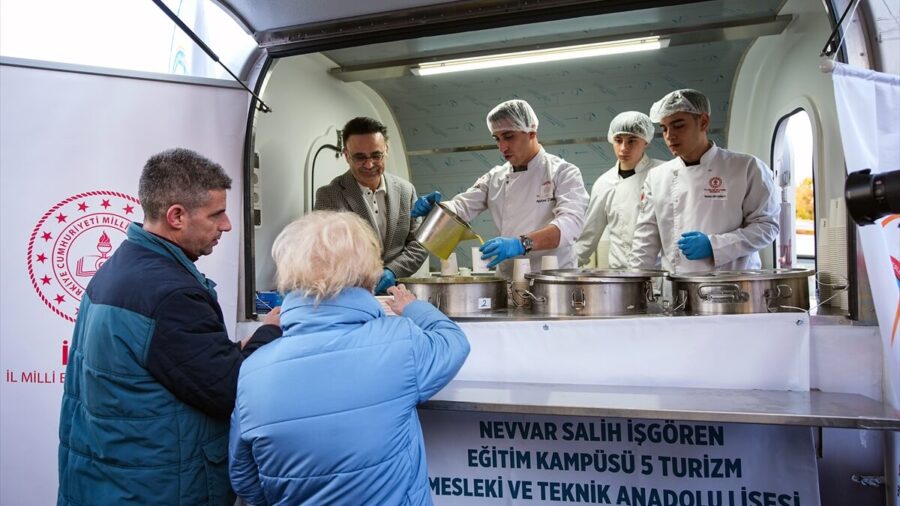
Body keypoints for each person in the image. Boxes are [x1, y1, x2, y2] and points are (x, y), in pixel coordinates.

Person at [57, 148, 282, 506]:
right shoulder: (171, 295)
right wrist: (270, 330)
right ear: (176, 216)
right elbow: (228, 390)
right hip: (157, 487)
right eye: (217, 214)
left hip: (110, 480)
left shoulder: (123, 267)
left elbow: (178, 366)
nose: (226, 225)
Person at [229, 211, 469, 505]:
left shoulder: (253, 370)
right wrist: (413, 308)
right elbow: (453, 342)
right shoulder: (400, 342)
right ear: (370, 274)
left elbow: (244, 475)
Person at [411, 99, 588, 277]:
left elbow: (570, 225)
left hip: (554, 280)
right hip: (508, 281)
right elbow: (462, 207)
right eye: (497, 139)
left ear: (531, 132)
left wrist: (521, 244)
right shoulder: (495, 178)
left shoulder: (563, 172)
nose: (502, 147)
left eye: (509, 136)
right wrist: (438, 210)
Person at [629, 89, 780, 273]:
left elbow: (766, 227)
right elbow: (645, 241)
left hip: (732, 286)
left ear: (703, 122)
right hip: (678, 291)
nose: (669, 136)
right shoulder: (657, 177)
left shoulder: (746, 168)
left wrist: (715, 245)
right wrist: (632, 286)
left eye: (678, 125)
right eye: (664, 128)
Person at [315, 116, 428, 293]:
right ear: (346, 155)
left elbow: (420, 243)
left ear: (386, 150)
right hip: (350, 293)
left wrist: (393, 270)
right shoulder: (329, 195)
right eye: (360, 157)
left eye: (376, 155)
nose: (369, 164)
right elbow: (324, 252)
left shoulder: (406, 191)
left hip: (398, 292)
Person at [575, 111, 665, 268]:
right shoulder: (604, 183)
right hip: (620, 279)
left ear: (646, 141)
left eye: (632, 141)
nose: (623, 148)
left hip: (660, 275)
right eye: (618, 140)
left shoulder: (663, 173)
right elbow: (587, 237)